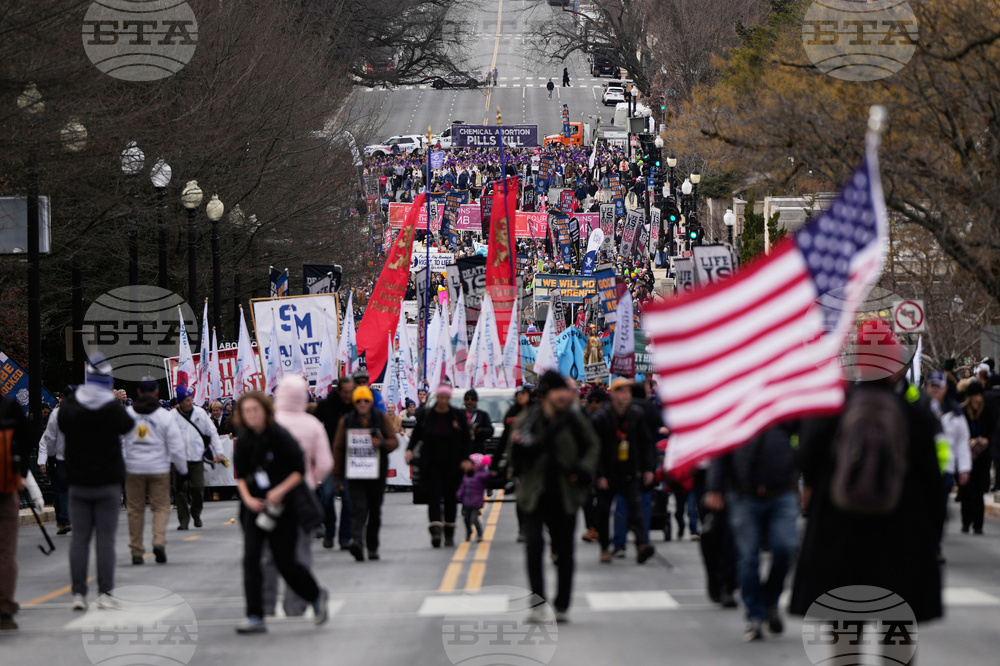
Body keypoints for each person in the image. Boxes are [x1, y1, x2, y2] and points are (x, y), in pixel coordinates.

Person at [789, 359, 945, 643]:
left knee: (845, 629)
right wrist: (932, 535)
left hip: (841, 536)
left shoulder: (834, 412)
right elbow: (933, 483)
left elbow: (806, 457)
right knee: (896, 631)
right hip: (900, 539)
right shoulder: (914, 415)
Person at [233, 392, 328, 634]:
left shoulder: (279, 435)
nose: (252, 415)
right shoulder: (243, 440)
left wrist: (278, 491)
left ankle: (316, 594)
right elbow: (241, 476)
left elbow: (298, 469)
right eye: (247, 411)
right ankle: (255, 616)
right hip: (254, 507)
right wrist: (248, 499)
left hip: (283, 506)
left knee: (285, 561)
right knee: (251, 559)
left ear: (265, 410)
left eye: (256, 409)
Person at [509, 371, 600, 623]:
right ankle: (537, 602)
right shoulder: (529, 419)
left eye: (565, 390)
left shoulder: (574, 418)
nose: (564, 395)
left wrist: (584, 469)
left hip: (565, 493)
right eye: (558, 390)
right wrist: (520, 446)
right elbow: (512, 455)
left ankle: (562, 603)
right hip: (535, 494)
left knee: (564, 550)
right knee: (534, 545)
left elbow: (592, 445)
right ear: (546, 394)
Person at [705, 423, 799, 641]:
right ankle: (755, 615)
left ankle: (770, 601)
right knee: (748, 558)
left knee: (786, 548)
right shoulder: (739, 410)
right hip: (744, 495)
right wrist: (715, 487)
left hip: (781, 492)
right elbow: (720, 450)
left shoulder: (784, 412)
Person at [59, 354, 135, 611]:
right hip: (107, 481)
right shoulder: (113, 408)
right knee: (105, 539)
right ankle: (105, 593)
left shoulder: (70, 406)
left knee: (79, 539)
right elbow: (128, 425)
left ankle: (78, 593)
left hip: (78, 481)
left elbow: (62, 424)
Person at [262, 376, 333, 616]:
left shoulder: (268, 422)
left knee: (269, 554)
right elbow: (325, 462)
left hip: (270, 495)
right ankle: (296, 605)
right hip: (302, 495)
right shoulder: (312, 424)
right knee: (301, 552)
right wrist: (311, 481)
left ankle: (265, 604)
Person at [590, 378, 656, 564]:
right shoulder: (602, 417)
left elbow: (646, 443)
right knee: (603, 512)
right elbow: (594, 449)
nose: (625, 395)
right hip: (607, 472)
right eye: (621, 391)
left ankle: (642, 545)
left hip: (629, 471)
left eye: (627, 392)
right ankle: (604, 547)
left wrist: (649, 469)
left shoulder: (636, 414)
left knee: (636, 510)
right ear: (613, 394)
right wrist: (599, 474)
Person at [122, 377, 188, 565]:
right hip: (159, 468)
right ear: (157, 393)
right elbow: (176, 447)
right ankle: (158, 541)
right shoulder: (164, 416)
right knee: (160, 507)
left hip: (134, 468)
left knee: (135, 510)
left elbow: (119, 442)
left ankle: (136, 550)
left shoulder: (128, 414)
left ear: (139, 393)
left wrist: (123, 464)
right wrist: (182, 472)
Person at [332, 385, 398, 561]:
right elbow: (338, 449)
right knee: (358, 509)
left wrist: (382, 443)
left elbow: (394, 442)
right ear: (354, 403)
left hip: (376, 474)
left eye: (366, 401)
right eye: (359, 401)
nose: (362, 404)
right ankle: (357, 542)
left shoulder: (381, 418)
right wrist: (336, 476)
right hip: (355, 473)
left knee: (374, 511)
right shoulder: (346, 421)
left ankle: (372, 547)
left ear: (370, 402)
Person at [406, 384, 472, 548]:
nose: (442, 401)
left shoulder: (457, 415)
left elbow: (466, 439)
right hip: (431, 463)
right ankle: (436, 531)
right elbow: (416, 434)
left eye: (446, 398)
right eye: (440, 398)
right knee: (433, 495)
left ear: (449, 399)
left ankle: (449, 531)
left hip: (452, 464)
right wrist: (409, 450)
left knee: (450, 497)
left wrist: (465, 459)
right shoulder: (427, 415)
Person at [926, 369, 971, 561]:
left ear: (945, 389)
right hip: (923, 470)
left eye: (939, 386)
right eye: (932, 386)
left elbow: (962, 442)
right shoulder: (919, 408)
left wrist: (964, 468)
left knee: (939, 511)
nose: (935, 390)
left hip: (945, 470)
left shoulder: (955, 412)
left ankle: (934, 547)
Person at [172, 385, 223, 530]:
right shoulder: (172, 416)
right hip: (178, 459)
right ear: (181, 402)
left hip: (196, 457)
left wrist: (219, 452)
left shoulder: (200, 413)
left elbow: (212, 433)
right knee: (180, 491)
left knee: (198, 487)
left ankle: (196, 512)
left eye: (191, 399)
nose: (190, 402)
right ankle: (183, 520)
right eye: (187, 400)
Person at [0, 391, 31, 630]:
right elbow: (25, 441)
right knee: (6, 552)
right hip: (5, 486)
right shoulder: (10, 407)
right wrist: (20, 476)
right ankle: (5, 609)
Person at [314, 377, 355, 549]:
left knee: (348, 500)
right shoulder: (325, 405)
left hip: (351, 458)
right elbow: (313, 427)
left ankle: (344, 536)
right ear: (339, 391)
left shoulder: (355, 405)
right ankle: (329, 531)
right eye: (345, 392)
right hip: (329, 458)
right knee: (327, 497)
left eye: (350, 391)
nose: (348, 395)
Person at [958, 379, 996, 534]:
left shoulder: (987, 412)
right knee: (967, 491)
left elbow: (993, 432)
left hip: (982, 458)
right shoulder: (961, 413)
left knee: (979, 491)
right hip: (966, 457)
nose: (978, 399)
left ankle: (978, 525)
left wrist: (987, 440)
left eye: (980, 395)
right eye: (975, 395)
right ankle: (966, 522)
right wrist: (967, 441)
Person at [38, 398, 71, 534]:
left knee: (63, 490)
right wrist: (43, 461)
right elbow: (45, 441)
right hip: (60, 460)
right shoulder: (56, 418)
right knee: (60, 490)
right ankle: (63, 519)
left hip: (65, 459)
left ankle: (65, 518)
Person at [458, 453, 492, 541]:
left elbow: (487, 475)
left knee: (474, 518)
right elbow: (463, 487)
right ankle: (469, 532)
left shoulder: (480, 475)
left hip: (476, 501)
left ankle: (480, 534)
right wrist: (460, 494)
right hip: (467, 501)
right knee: (466, 519)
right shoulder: (466, 476)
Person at [463, 389, 494, 454]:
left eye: (472, 399)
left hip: (478, 450)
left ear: (476, 401)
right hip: (462, 450)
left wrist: (479, 430)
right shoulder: (460, 414)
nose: (469, 401)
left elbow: (490, 431)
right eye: (467, 399)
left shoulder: (482, 415)